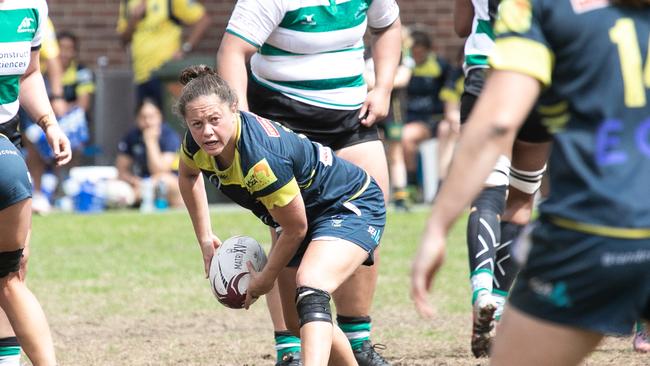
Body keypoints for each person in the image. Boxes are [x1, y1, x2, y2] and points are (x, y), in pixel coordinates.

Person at [412, 1, 650, 365]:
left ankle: (486, 288)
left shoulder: (540, 10)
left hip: (594, 232)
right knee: (522, 192)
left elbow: (498, 123)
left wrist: (437, 227)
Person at [217, 0, 401, 364]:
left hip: (351, 118)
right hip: (286, 123)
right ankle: (291, 347)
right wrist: (247, 128)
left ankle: (357, 342)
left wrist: (383, 88)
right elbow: (232, 50)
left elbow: (388, 27)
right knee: (291, 230)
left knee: (366, 223)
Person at [176, 65, 386, 366]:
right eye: (196, 123)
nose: (206, 131)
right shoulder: (196, 144)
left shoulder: (259, 159)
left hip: (349, 203)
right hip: (303, 214)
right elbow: (187, 175)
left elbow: (295, 229)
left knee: (311, 287)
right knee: (297, 320)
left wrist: (265, 279)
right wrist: (204, 238)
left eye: (214, 120)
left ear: (234, 108)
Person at [449, 0, 553, 357]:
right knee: (522, 198)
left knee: (488, 190)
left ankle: (480, 287)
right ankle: (498, 300)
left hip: (487, 70)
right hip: (539, 72)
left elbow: (462, 26)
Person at [0, 1, 72, 364]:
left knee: (13, 265)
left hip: (6, 137)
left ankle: (7, 356)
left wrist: (49, 123)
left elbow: (29, 74)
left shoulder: (31, 5)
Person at [23, 30, 95, 213]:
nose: (64, 53)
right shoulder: (40, 72)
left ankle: (63, 188)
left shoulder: (82, 72)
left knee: (70, 139)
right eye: (61, 48)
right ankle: (38, 193)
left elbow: (83, 104)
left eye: (69, 49)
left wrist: (62, 107)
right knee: (32, 138)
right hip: (43, 123)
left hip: (71, 124)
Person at [116, 0, 211, 108]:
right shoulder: (127, 2)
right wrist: (133, 19)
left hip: (166, 74)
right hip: (141, 74)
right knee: (147, 121)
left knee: (170, 119)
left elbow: (203, 20)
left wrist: (185, 49)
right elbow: (123, 40)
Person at [397, 29, 451, 203]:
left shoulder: (440, 66)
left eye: (421, 51)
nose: (417, 55)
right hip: (407, 118)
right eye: (414, 52)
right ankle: (408, 185)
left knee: (407, 135)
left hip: (431, 121)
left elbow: (450, 93)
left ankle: (412, 186)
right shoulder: (405, 67)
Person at [116, 98, 183, 208]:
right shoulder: (132, 136)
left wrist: (151, 142)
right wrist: (133, 180)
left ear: (160, 116)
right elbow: (121, 170)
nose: (148, 122)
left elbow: (160, 170)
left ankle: (133, 199)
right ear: (137, 119)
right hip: (139, 183)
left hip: (166, 183)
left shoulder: (169, 136)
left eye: (152, 117)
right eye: (143, 117)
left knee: (164, 180)